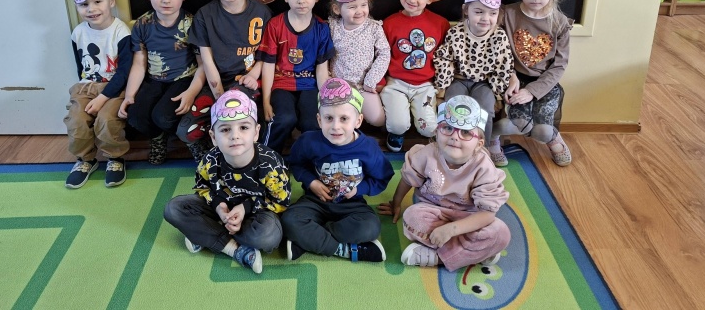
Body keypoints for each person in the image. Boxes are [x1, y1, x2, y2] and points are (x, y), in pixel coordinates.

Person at [163, 90, 290, 274]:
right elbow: (202, 186)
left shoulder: (270, 164)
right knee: (173, 208)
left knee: (268, 237)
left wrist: (245, 208)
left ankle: (205, 234)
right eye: (225, 130)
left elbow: (281, 201)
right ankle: (233, 248)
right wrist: (219, 207)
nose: (234, 136)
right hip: (220, 209)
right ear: (213, 137)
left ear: (256, 132)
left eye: (243, 127)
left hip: (255, 213)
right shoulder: (210, 159)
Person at [379, 96, 511, 270]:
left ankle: (439, 257)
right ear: (436, 132)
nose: (455, 137)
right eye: (448, 128)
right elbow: (408, 179)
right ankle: (474, 252)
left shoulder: (484, 167)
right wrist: (395, 204)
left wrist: (451, 230)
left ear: (479, 144)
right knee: (411, 216)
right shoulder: (426, 154)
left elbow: (487, 214)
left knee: (501, 233)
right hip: (432, 211)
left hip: (468, 217)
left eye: (465, 132)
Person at [281, 78, 394, 263]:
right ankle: (345, 250)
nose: (335, 126)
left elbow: (382, 177)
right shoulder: (308, 141)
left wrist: (359, 190)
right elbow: (296, 164)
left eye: (344, 119)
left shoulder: (369, 148)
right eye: (328, 118)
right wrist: (312, 182)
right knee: (288, 220)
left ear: (358, 120)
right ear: (319, 120)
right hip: (315, 201)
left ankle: (309, 239)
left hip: (352, 205)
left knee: (370, 227)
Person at [178, 0, 271, 162]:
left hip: (247, 83)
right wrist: (219, 94)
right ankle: (209, 155)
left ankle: (243, 159)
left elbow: (266, 54)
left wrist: (254, 74)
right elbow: (207, 61)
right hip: (217, 83)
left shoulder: (261, 12)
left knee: (236, 121)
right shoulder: (205, 15)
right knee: (185, 130)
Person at [490, 0, 574, 167]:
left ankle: (553, 138)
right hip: (515, 80)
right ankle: (492, 138)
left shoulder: (559, 22)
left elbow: (559, 65)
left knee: (543, 130)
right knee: (516, 122)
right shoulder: (507, 14)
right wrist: (510, 75)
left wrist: (533, 91)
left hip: (545, 84)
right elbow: (497, 48)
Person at [118, 0, 206, 164]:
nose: (166, 0)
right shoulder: (143, 24)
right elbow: (139, 63)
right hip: (154, 79)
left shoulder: (192, 23)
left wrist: (192, 92)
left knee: (164, 116)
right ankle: (158, 138)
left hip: (185, 79)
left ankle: (193, 140)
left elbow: (203, 64)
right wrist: (130, 95)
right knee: (135, 116)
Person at [256, 0, 335, 153]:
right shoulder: (275, 25)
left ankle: (310, 159)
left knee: (312, 122)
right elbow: (268, 65)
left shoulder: (321, 28)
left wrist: (325, 101)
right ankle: (267, 158)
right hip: (281, 85)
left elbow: (322, 70)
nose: (301, 0)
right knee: (284, 118)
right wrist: (266, 101)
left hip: (309, 86)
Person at [63, 0, 133, 188]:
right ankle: (85, 159)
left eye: (97, 2)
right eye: (84, 4)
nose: (91, 9)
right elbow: (81, 67)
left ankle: (115, 158)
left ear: (111, 1)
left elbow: (124, 72)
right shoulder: (78, 33)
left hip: (115, 87)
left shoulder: (121, 31)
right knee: (76, 120)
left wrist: (103, 97)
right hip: (86, 87)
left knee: (107, 120)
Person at [380, 0, 450, 152]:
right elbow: (381, 55)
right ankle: (396, 132)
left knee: (428, 129)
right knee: (398, 125)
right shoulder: (389, 23)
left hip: (425, 85)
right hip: (396, 83)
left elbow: (445, 56)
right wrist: (380, 81)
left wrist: (442, 87)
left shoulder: (440, 24)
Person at [433, 0, 514, 146]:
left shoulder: (499, 36)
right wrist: (442, 88)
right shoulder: (456, 33)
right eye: (478, 12)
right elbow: (445, 60)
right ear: (466, 10)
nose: (485, 18)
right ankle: (451, 145)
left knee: (485, 110)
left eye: (492, 13)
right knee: (453, 106)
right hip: (458, 80)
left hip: (484, 83)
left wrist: (498, 93)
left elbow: (504, 65)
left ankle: (483, 147)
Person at [325, 0, 390, 128]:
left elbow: (384, 53)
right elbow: (322, 52)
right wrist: (325, 75)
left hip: (363, 86)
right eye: (352, 7)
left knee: (378, 120)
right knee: (340, 118)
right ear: (337, 9)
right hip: (339, 85)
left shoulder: (374, 28)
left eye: (363, 5)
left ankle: (357, 116)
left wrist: (371, 80)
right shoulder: (332, 27)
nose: (360, 11)